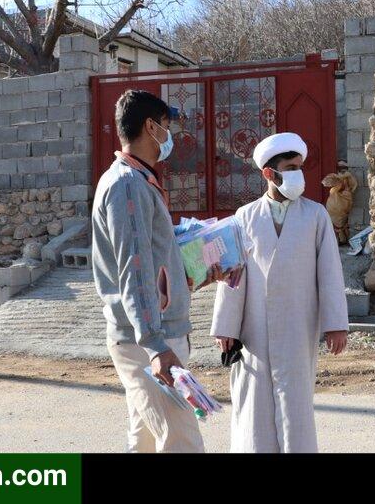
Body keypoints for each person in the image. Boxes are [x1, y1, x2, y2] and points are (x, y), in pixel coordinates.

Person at [211, 131, 349, 452]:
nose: (298, 174)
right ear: (269, 173)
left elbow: (329, 272)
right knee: (254, 405)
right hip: (253, 328)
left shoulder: (316, 216)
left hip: (298, 326)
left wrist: (336, 324)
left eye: (300, 166)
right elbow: (233, 276)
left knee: (295, 404)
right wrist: (226, 328)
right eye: (290, 167)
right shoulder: (244, 217)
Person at [91, 89, 204, 453]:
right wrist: (155, 345)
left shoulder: (138, 181)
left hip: (148, 335)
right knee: (182, 440)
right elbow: (134, 267)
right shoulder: (127, 185)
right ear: (151, 126)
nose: (170, 136)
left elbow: (152, 258)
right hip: (147, 340)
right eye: (167, 126)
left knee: (142, 439)